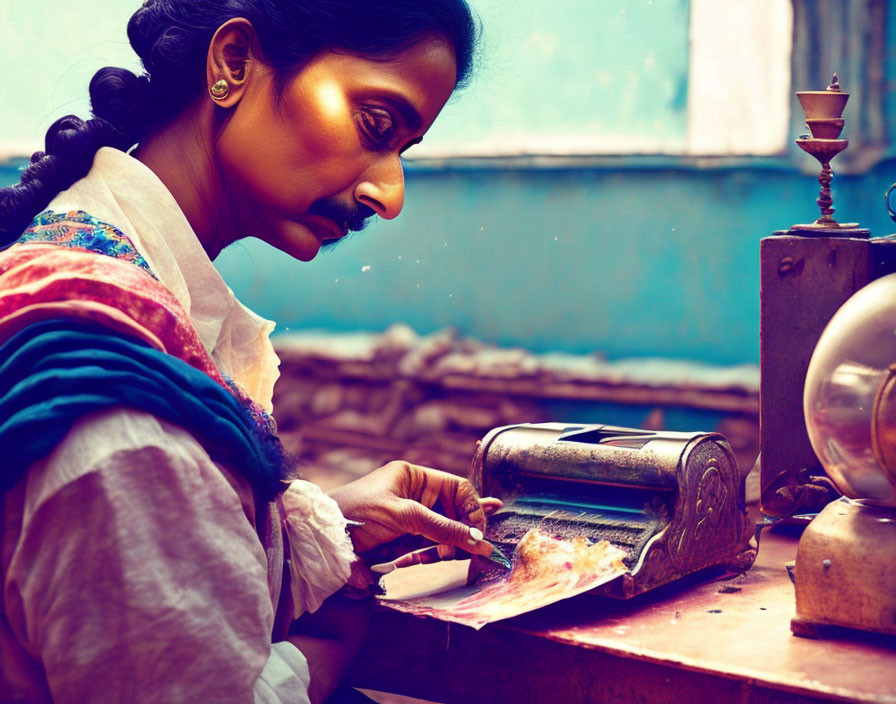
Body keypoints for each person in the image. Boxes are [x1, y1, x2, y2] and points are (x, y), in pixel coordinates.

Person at [0, 1, 499, 702]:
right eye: (375, 126)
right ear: (233, 65)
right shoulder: (120, 414)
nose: (389, 194)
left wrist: (320, 529)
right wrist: (336, 635)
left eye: (401, 152)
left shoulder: (81, 259)